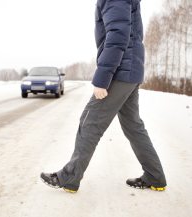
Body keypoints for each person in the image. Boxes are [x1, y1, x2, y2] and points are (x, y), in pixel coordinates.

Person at [40, 0, 167, 193]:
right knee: (133, 126)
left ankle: (69, 177)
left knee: (90, 121)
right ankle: (155, 176)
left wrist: (102, 78)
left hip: (120, 72)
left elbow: (117, 36)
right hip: (130, 70)